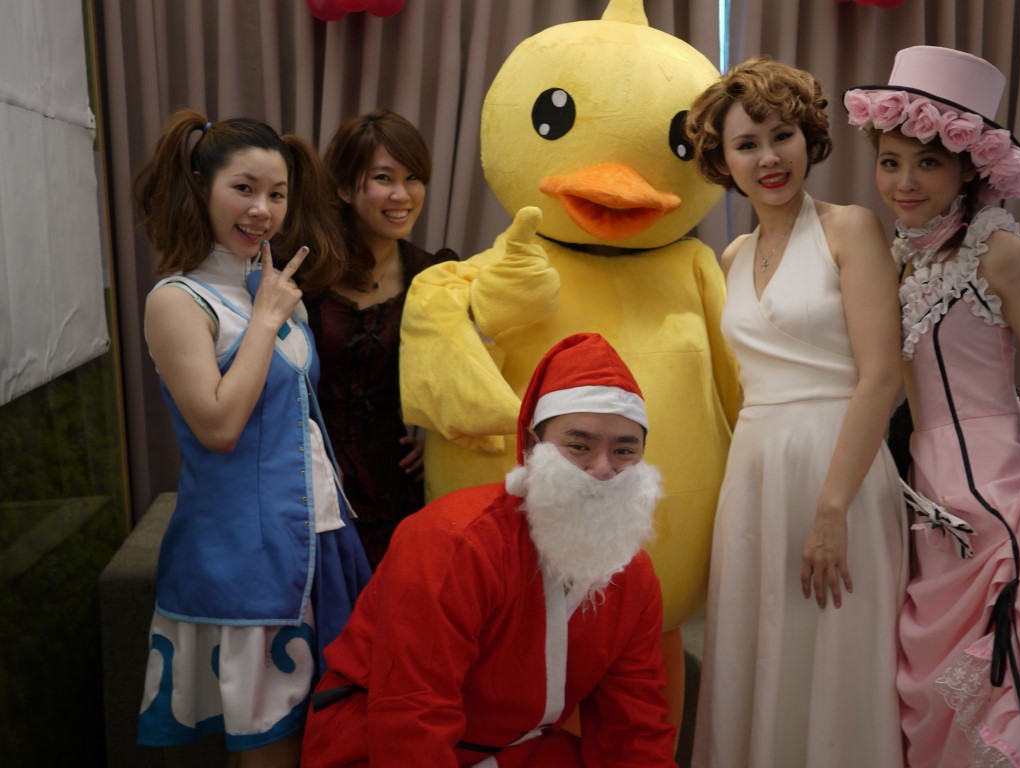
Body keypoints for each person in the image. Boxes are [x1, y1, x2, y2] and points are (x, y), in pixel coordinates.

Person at [845, 45, 1020, 767]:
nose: (904, 182)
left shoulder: (998, 251)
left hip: (1008, 496)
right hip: (928, 500)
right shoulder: (898, 259)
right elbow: (907, 395)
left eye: (927, 163)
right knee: (929, 687)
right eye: (889, 162)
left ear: (969, 167)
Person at [301, 333, 678, 767]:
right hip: (382, 743)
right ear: (532, 447)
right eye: (579, 446)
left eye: (624, 450)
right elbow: (412, 710)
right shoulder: (452, 540)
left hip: (516, 748)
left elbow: (634, 725)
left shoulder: (632, 574)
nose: (603, 469)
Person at [131, 109, 372, 766]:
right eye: (244, 188)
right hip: (246, 557)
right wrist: (265, 321)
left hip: (322, 540)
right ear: (200, 187)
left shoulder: (271, 292)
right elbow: (218, 426)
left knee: (334, 739)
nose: (262, 210)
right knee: (271, 750)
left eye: (277, 193)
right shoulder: (177, 301)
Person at [684, 56, 907, 766]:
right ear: (722, 160)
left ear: (809, 137)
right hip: (755, 476)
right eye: (746, 144)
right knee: (755, 653)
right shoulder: (731, 255)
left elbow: (882, 378)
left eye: (782, 135)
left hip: (839, 470)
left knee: (836, 656)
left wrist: (833, 507)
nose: (769, 158)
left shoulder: (851, 229)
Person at [305, 110, 458, 567]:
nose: (402, 195)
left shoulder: (435, 274)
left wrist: (438, 443)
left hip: (395, 481)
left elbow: (462, 378)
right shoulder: (305, 271)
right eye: (383, 178)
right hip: (311, 474)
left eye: (413, 178)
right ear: (344, 188)